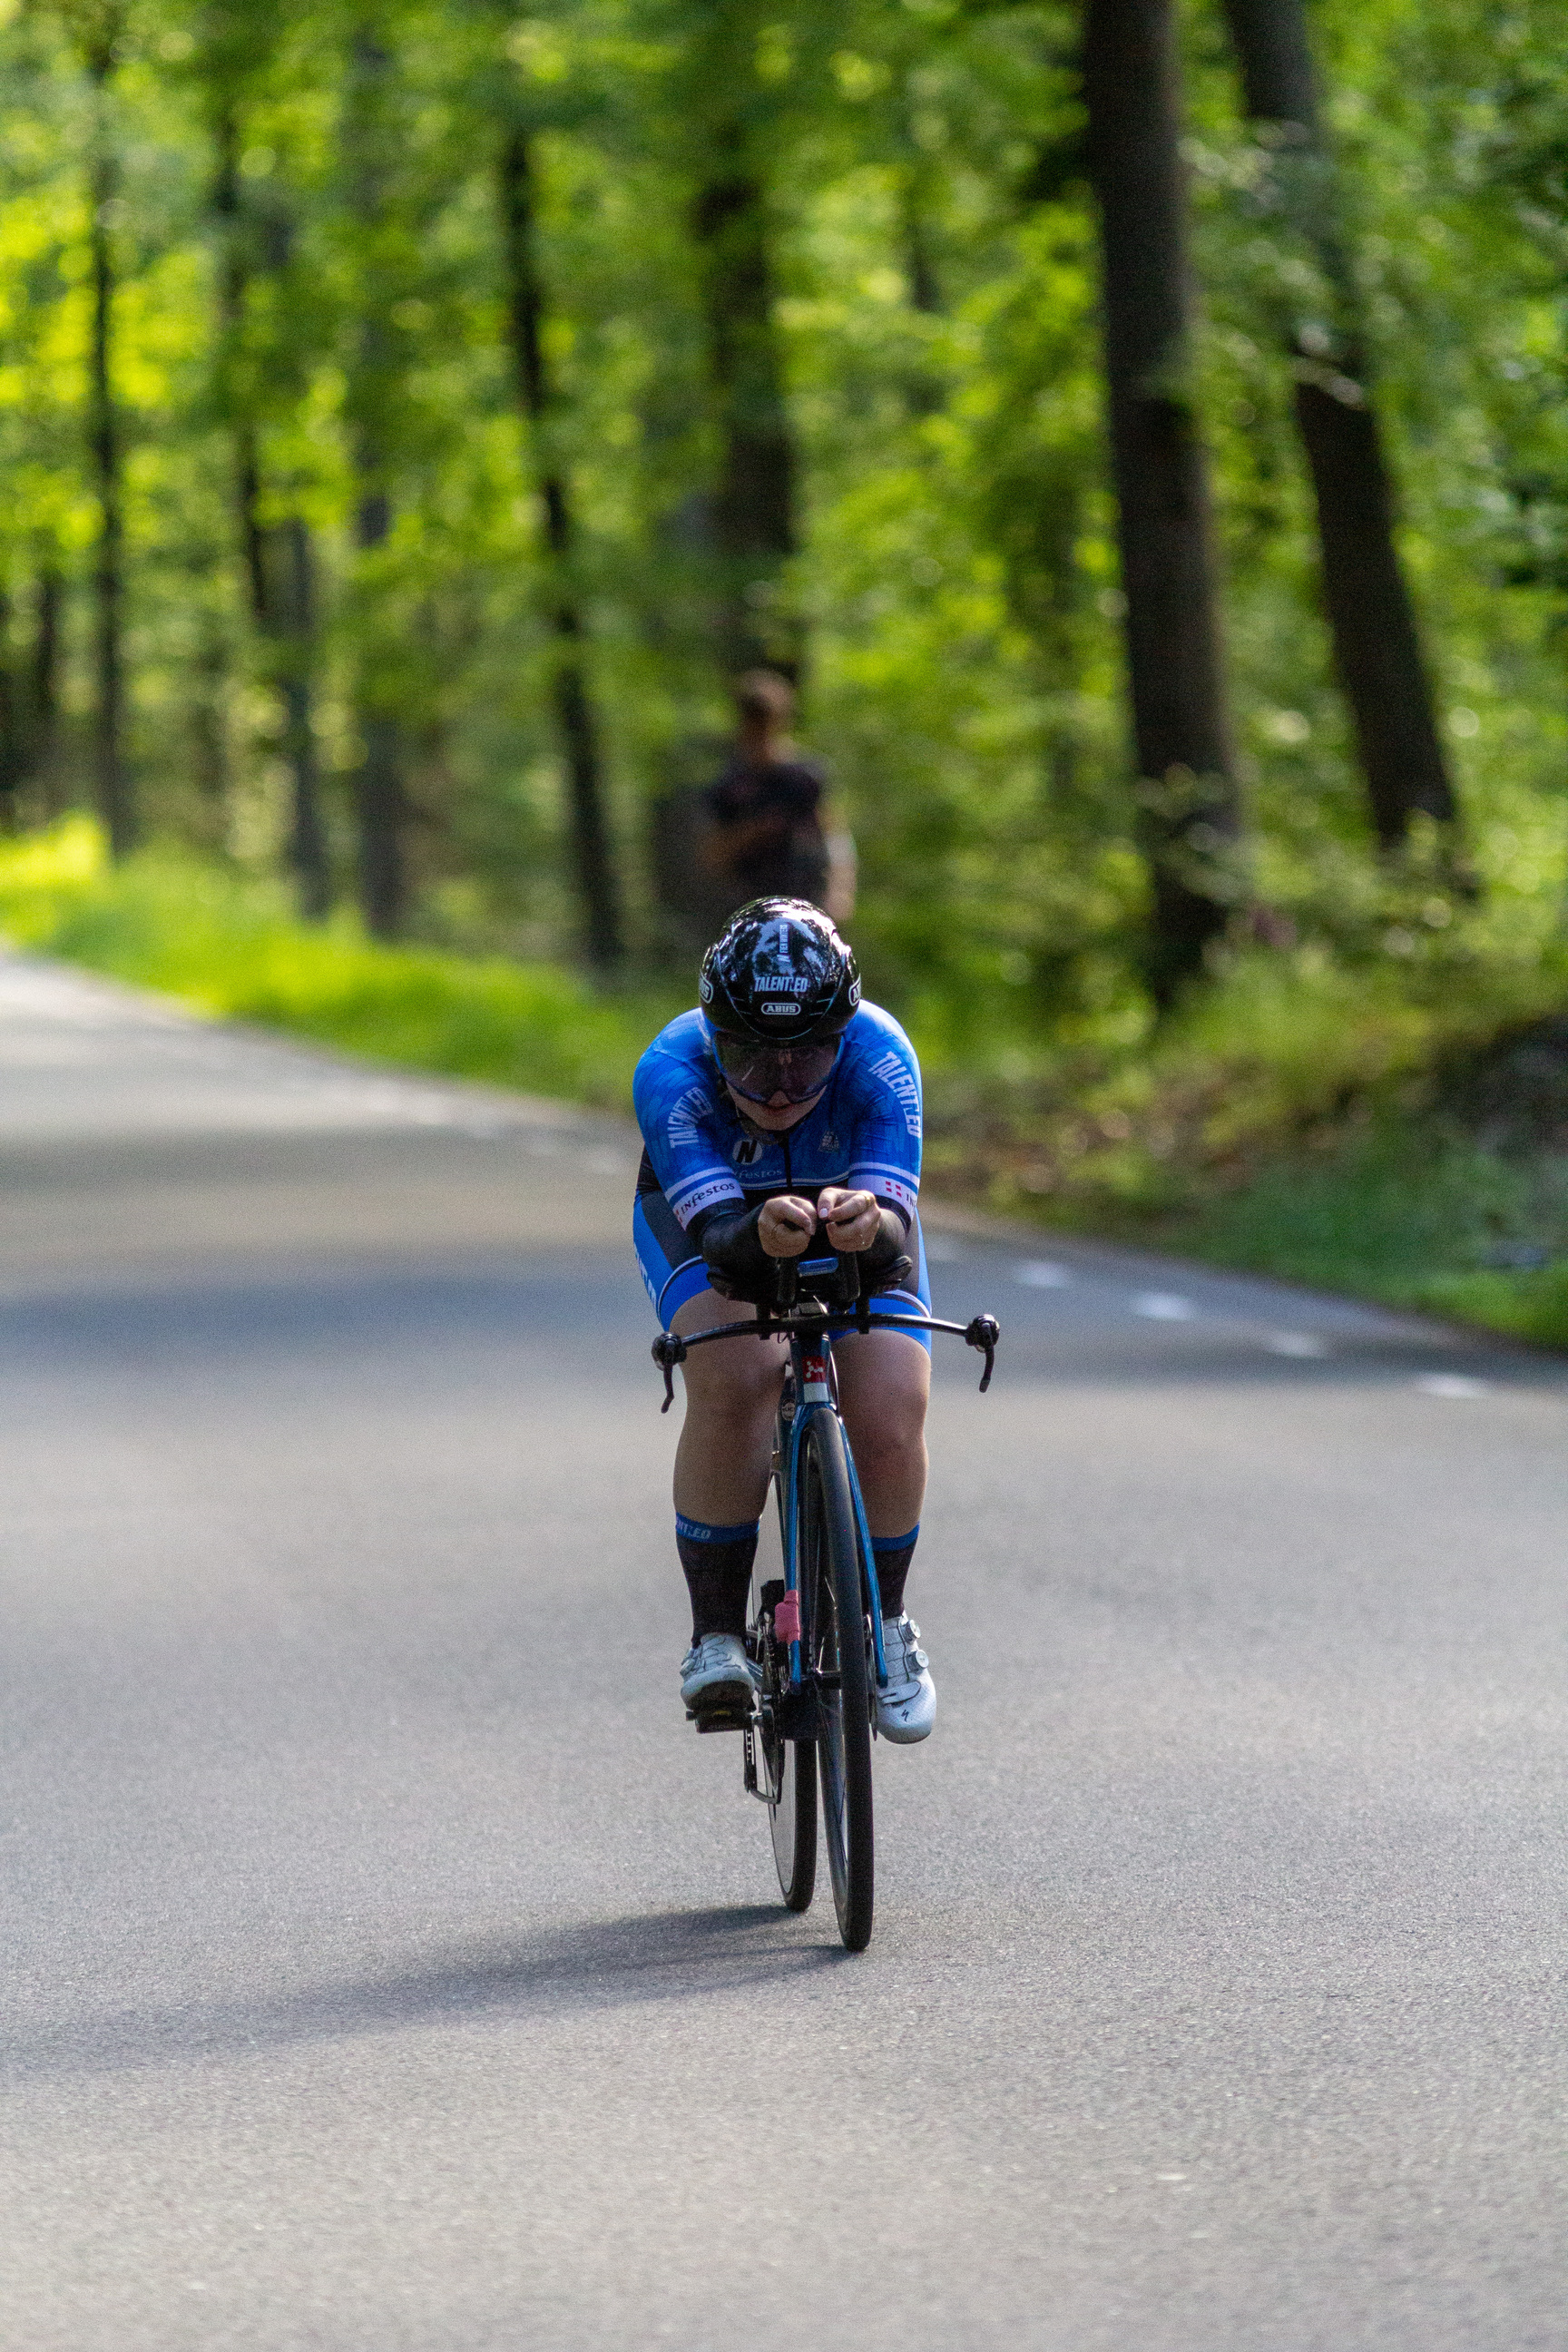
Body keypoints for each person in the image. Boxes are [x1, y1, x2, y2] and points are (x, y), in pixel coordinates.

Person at [632, 897, 935, 1742]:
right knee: (739, 1374)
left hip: (852, 1215)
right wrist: (754, 1234)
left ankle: (889, 1623)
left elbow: (894, 1230)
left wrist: (867, 1224)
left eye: (808, 1059)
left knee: (891, 1398)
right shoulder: (672, 1068)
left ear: (844, 1034)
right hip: (715, 1220)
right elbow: (721, 1239)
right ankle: (716, 1638)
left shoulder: (883, 1057)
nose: (776, 1086)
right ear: (710, 1031)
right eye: (750, 1055)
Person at [703, 671, 854, 923]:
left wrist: (840, 892)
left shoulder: (805, 778)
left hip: (805, 906)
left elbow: (834, 836)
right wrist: (751, 834)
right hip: (747, 910)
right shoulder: (729, 785)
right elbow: (712, 856)